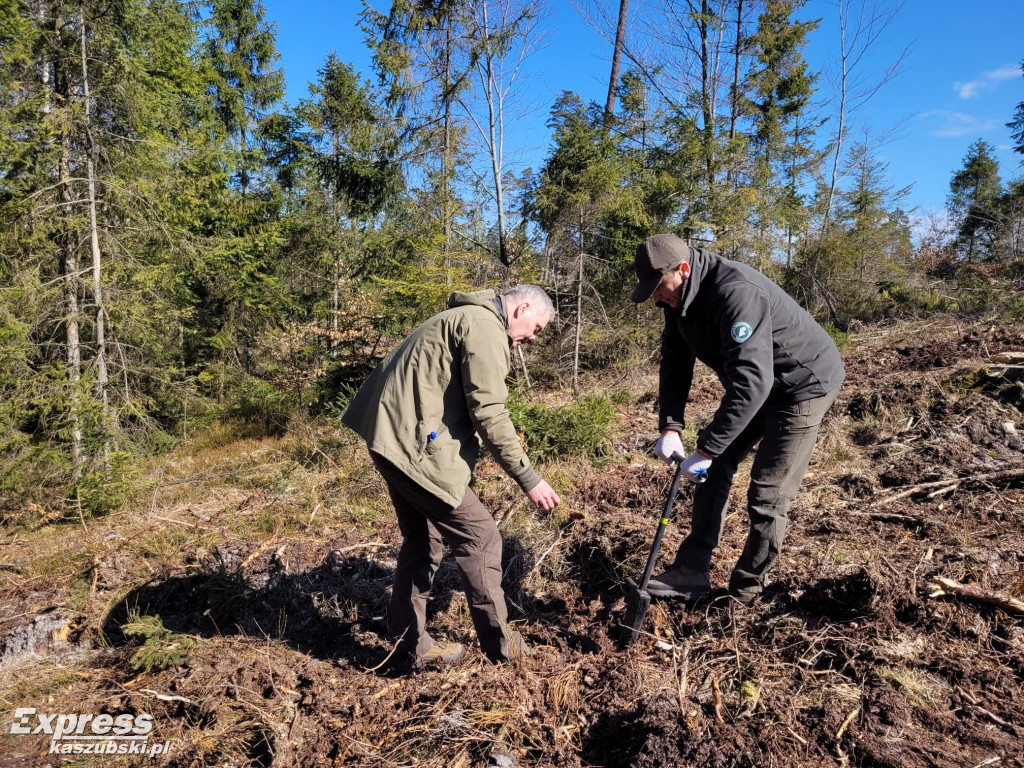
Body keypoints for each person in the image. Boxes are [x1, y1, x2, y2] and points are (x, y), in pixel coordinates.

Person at [341, 285, 560, 667]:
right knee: (481, 535)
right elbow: (489, 412)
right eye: (536, 328)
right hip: (411, 446)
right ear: (523, 307)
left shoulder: (462, 319)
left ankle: (409, 642)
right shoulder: (485, 325)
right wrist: (528, 478)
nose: (530, 339)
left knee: (424, 539)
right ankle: (504, 650)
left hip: (391, 440)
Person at [631, 234, 845, 605]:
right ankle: (691, 571)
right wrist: (670, 426)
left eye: (658, 287)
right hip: (756, 385)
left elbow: (752, 383)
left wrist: (709, 447)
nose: (656, 297)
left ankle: (745, 595)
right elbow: (675, 363)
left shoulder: (734, 292)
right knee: (714, 471)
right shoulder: (678, 299)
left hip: (801, 386)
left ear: (682, 270)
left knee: (767, 494)